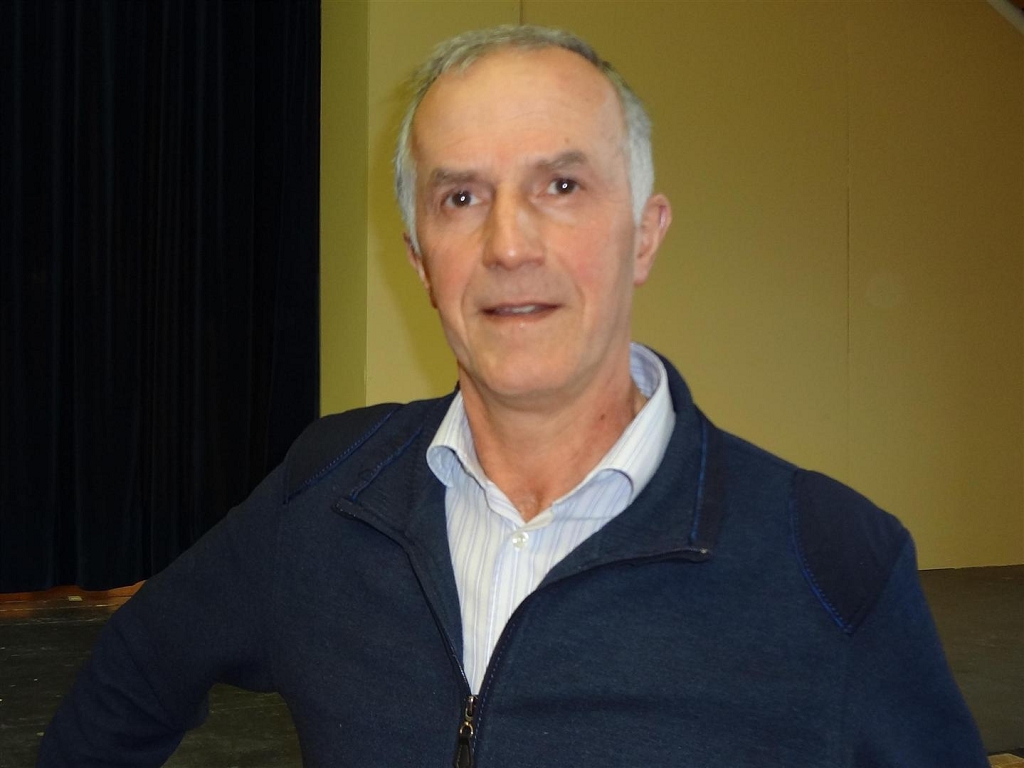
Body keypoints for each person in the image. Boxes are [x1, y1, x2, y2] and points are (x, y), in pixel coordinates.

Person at [39, 24, 988, 767]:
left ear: (645, 235)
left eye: (561, 185)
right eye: (460, 198)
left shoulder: (832, 563)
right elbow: (136, 671)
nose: (507, 245)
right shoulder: (325, 496)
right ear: (421, 261)